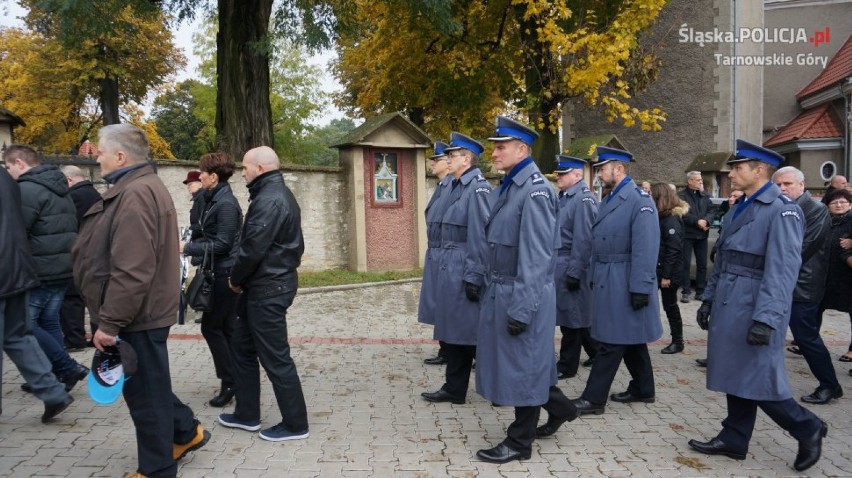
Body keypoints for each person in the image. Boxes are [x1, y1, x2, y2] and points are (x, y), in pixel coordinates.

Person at [73, 124, 209, 477]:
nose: (96, 158)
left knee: (146, 397)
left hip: (136, 314)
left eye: (100, 152)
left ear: (120, 156)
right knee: (150, 384)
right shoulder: (136, 187)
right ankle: (185, 431)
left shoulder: (133, 194)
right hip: (140, 312)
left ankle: (157, 469)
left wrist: (109, 323)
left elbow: (132, 270)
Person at [688, 140, 826, 472]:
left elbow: (783, 271)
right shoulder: (741, 206)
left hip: (755, 304)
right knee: (736, 372)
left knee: (758, 378)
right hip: (730, 301)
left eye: (737, 167)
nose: (731, 173)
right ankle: (735, 437)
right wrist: (707, 299)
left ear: (759, 170)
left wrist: (766, 318)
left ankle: (807, 428)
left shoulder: (782, 209)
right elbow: (723, 257)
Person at [474, 116, 578, 463]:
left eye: (501, 146)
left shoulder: (534, 191)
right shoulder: (510, 186)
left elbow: (535, 258)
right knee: (528, 364)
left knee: (523, 366)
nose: (494, 151)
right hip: (505, 289)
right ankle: (560, 408)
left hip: (523, 293)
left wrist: (521, 308)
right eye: (495, 145)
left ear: (522, 149)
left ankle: (520, 443)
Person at [218, 146, 309, 442]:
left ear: (259, 167)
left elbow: (253, 247)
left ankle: (296, 424)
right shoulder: (269, 194)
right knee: (242, 349)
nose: (242, 172)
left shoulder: (270, 198)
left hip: (268, 288)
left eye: (245, 167)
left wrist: (235, 278)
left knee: (276, 358)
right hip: (261, 286)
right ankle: (247, 414)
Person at [570, 146, 661, 415]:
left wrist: (641, 287)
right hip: (609, 276)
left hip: (625, 279)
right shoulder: (611, 198)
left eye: (602, 168)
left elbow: (646, 248)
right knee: (629, 337)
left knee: (612, 340)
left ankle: (593, 398)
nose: (598, 173)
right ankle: (644, 388)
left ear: (619, 169)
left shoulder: (639, 201)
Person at [3, 145, 89, 392]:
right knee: (50, 322)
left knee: (24, 325)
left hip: (39, 268)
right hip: (63, 266)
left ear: (19, 163)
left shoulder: (27, 189)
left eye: (8, 167)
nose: (8, 173)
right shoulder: (60, 187)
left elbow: (17, 230)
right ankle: (57, 374)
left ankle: (66, 367)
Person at [421, 133, 491, 404]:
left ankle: (493, 385)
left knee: (469, 334)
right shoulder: (456, 186)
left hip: (464, 266)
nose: (447, 159)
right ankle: (454, 388)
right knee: (457, 333)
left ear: (467, 158)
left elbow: (481, 236)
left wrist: (474, 274)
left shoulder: (478, 188)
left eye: (452, 155)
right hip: (449, 267)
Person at [1, 166, 74, 422]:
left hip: (16, 268)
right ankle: (54, 392)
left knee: (20, 333)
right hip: (19, 268)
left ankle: (59, 383)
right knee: (18, 336)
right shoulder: (7, 179)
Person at [772, 166, 841, 404]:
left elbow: (803, 248)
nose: (782, 188)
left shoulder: (816, 210)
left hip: (803, 284)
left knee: (806, 337)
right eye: (778, 184)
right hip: (783, 282)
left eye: (787, 184)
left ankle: (830, 385)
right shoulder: (780, 208)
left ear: (802, 185)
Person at [180, 153, 243, 408]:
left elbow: (224, 244)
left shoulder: (226, 204)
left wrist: (187, 247)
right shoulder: (212, 198)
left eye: (202, 173)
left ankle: (230, 382)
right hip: (216, 271)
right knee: (225, 329)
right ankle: (236, 378)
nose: (199, 176)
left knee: (211, 327)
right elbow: (203, 227)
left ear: (213, 177)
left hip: (225, 274)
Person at [551, 155, 597, 379]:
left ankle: (567, 366)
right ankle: (598, 353)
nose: (558, 177)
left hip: (572, 262)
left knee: (572, 318)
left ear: (577, 175)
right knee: (576, 315)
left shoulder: (583, 199)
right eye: (558, 173)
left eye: (563, 173)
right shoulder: (564, 197)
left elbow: (584, 239)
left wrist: (575, 271)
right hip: (560, 262)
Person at [59, 165, 102, 350]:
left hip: (79, 254)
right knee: (94, 297)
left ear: (69, 180)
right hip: (96, 253)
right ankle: (96, 336)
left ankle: (74, 339)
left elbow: (69, 225)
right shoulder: (93, 193)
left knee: (72, 298)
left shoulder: (74, 196)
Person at [418, 141, 452, 366]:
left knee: (448, 304)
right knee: (440, 304)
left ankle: (457, 350)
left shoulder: (452, 187)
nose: (432, 163)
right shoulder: (442, 186)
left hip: (446, 253)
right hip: (437, 253)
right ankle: (446, 349)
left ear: (447, 163)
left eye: (436, 159)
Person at [651, 183, 687, 354]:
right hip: (659, 269)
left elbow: (673, 250)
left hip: (669, 273)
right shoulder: (661, 217)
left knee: (670, 305)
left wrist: (666, 276)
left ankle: (677, 341)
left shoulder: (671, 220)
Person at [820, 188, 852, 363]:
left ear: (850, 204)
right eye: (834, 202)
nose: (839, 205)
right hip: (827, 276)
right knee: (816, 308)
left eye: (843, 202)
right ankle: (808, 343)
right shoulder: (825, 221)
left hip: (848, 277)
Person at [678, 171, 713, 304]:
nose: (700, 182)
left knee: (702, 265)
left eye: (701, 180)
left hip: (702, 235)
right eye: (697, 180)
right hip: (687, 234)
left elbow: (712, 210)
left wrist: (706, 221)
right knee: (685, 264)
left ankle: (700, 291)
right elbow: (682, 213)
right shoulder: (681, 196)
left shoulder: (705, 195)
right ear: (690, 181)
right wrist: (697, 221)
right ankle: (685, 291)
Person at [184, 170, 205, 240]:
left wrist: (185, 236)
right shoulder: (198, 198)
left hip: (202, 241)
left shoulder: (203, 198)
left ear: (200, 184)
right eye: (187, 185)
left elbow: (202, 224)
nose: (188, 187)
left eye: (190, 184)